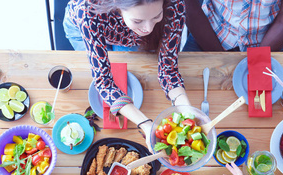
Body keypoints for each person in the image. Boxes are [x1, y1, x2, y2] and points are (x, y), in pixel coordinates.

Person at [63, 0, 191, 149]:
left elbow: (168, 71)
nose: (148, 28)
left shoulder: (175, 4)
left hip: (128, 35)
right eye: (138, 20)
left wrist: (188, 110)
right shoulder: (87, 10)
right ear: (117, 7)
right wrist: (145, 124)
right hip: (87, 25)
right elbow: (104, 82)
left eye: (157, 16)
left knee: (125, 69)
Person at [182, 0, 283, 52]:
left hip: (271, 40)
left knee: (275, 108)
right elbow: (188, 8)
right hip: (211, 33)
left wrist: (257, 62)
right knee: (185, 105)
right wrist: (221, 58)